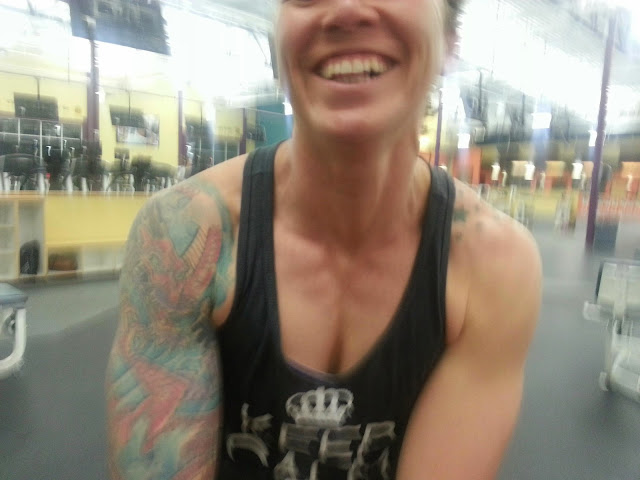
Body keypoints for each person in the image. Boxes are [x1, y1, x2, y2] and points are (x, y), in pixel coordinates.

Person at [106, 0, 542, 479]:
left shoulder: (494, 266)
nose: (347, 9)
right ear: (277, 40)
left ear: (449, 40)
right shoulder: (185, 237)